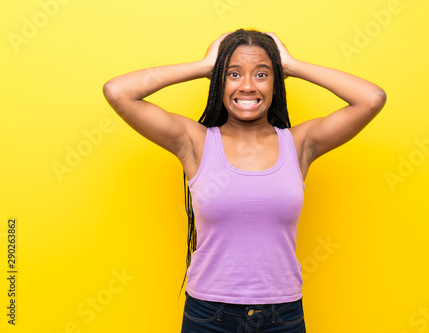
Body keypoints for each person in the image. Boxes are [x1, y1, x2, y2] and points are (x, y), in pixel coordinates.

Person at [103, 28, 386, 333]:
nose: (248, 86)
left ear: (276, 82)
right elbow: (117, 92)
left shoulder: (300, 143)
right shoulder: (195, 143)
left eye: (262, 75)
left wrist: (290, 64)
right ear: (218, 82)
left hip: (283, 316)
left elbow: (371, 99)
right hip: (209, 316)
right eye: (233, 74)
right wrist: (203, 66)